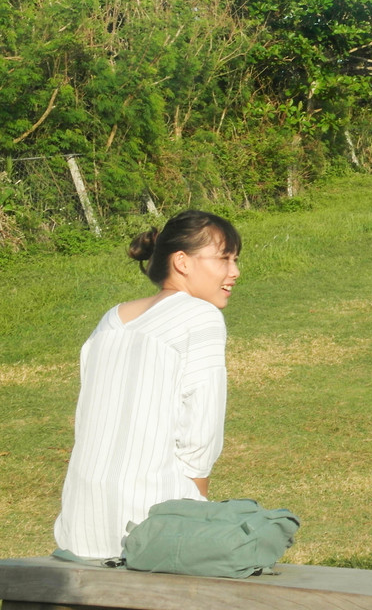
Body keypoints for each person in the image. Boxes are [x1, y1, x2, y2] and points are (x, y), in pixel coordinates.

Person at [54, 210, 241, 559]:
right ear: (182, 261)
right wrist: (195, 513)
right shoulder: (201, 316)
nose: (234, 272)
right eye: (224, 259)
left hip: (80, 524)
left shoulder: (112, 319)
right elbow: (200, 434)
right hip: (150, 523)